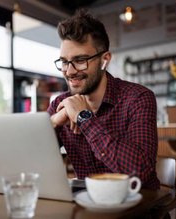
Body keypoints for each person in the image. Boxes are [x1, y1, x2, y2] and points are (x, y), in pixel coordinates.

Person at [47, 9, 159, 189]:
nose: (69, 71)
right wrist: (52, 123)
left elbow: (140, 172)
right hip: (88, 206)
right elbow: (30, 162)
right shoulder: (60, 105)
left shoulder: (138, 98)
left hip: (138, 206)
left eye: (80, 60)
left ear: (105, 59)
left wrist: (84, 118)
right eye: (65, 62)